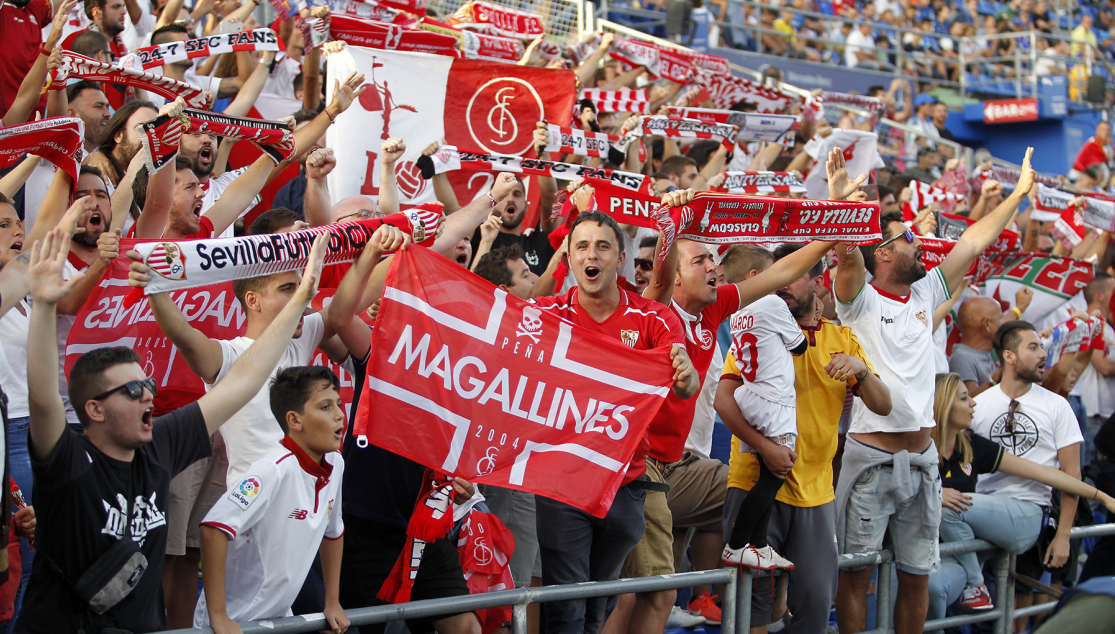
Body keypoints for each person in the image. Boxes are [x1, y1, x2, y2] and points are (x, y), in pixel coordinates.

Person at [16, 229, 328, 633]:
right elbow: (42, 400)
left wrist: (301, 298)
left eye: (147, 385)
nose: (148, 396)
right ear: (93, 409)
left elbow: (243, 380)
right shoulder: (70, 460)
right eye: (132, 391)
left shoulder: (158, 445)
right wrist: (42, 306)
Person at [832, 146, 1035, 634]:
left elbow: (971, 242)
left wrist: (1018, 196)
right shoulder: (858, 299)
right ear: (882, 252)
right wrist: (840, 200)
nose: (920, 244)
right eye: (908, 239)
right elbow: (844, 254)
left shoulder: (925, 291)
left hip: (924, 464)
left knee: (916, 578)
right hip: (870, 464)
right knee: (856, 578)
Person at [532, 207, 699, 634]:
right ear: (568, 258)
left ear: (619, 258)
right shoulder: (546, 314)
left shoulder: (654, 318)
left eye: (603, 246)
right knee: (566, 606)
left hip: (626, 485)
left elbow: (683, 386)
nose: (593, 254)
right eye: (582, 246)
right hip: (562, 483)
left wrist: (685, 373)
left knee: (597, 605)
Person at [716, 243, 891, 633]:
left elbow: (883, 405)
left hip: (816, 492)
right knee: (750, 610)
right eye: (776, 272)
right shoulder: (759, 327)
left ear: (818, 282)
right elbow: (723, 401)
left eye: (792, 273)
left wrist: (861, 372)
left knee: (814, 605)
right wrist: (765, 447)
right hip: (755, 482)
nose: (781, 282)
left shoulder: (841, 338)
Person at [929, 372, 1113, 619]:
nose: (973, 402)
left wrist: (1101, 496)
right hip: (930, 552)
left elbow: (1042, 472)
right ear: (943, 406)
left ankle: (976, 585)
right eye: (964, 398)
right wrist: (933, 493)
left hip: (962, 546)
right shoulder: (919, 448)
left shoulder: (971, 444)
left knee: (950, 510)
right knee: (932, 588)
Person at [195, 367, 348, 634]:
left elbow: (333, 532)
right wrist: (218, 616)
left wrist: (331, 602)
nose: (339, 415)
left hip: (277, 620)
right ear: (294, 420)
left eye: (339, 404)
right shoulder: (272, 469)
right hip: (236, 623)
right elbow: (213, 528)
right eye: (325, 407)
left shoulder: (336, 463)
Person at [972, 321, 1085, 627]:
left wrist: (1063, 536)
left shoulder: (1058, 406)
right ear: (1009, 356)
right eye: (1033, 347)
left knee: (1016, 615)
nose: (1043, 354)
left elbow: (1072, 477)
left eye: (1042, 347)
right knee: (979, 615)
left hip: (1030, 518)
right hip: (978, 519)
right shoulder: (978, 405)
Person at [719, 245, 807, 571]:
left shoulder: (737, 311)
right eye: (775, 273)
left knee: (768, 474)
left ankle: (759, 545)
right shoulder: (771, 301)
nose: (781, 281)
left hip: (752, 396)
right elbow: (800, 346)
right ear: (755, 276)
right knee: (777, 474)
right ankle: (738, 544)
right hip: (774, 400)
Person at [949, 297, 1004, 396]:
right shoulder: (962, 358)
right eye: (1000, 318)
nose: (1003, 323)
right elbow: (971, 403)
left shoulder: (985, 353)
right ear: (987, 324)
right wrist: (993, 381)